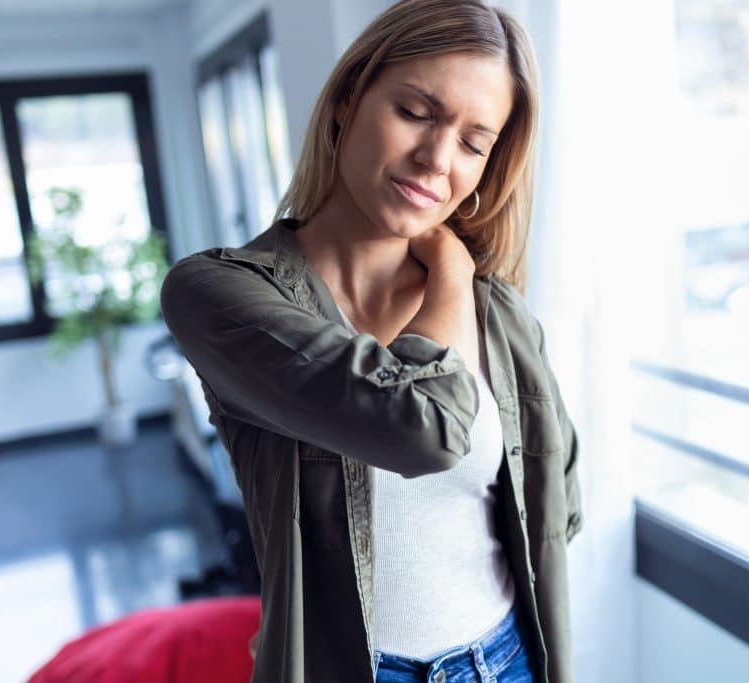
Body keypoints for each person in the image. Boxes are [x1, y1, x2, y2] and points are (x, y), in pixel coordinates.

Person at [159, 1, 582, 681]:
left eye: (474, 143)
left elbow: (557, 497)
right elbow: (418, 428)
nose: (437, 159)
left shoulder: (499, 313)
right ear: (348, 98)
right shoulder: (217, 294)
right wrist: (449, 267)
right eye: (415, 112)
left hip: (505, 660)